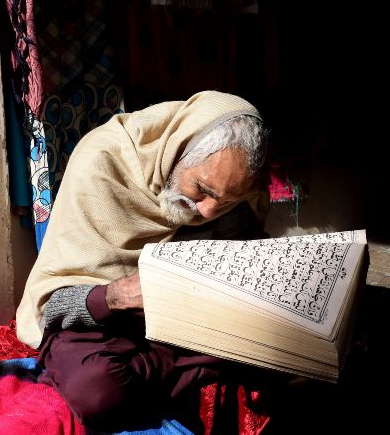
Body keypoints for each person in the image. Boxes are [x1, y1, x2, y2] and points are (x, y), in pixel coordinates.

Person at [15, 90, 275, 432]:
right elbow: (54, 307)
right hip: (104, 324)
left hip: (189, 325)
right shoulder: (103, 163)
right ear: (179, 150)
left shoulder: (237, 195)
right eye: (202, 189)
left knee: (279, 347)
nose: (208, 210)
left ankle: (189, 365)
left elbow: (240, 255)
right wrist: (115, 295)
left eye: (226, 201)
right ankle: (208, 366)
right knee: (94, 389)